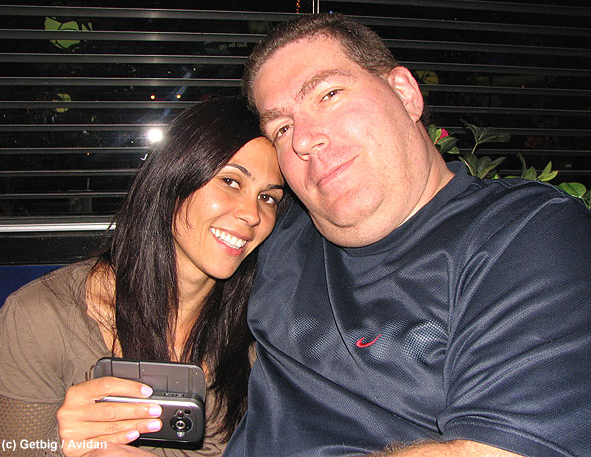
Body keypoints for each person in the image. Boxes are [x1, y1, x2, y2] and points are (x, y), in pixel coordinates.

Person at [219, 13, 591, 457]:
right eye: (282, 128)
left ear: (405, 93)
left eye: (329, 94)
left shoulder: (527, 236)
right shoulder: (275, 229)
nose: (303, 141)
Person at [0, 96, 286, 457]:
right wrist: (56, 447)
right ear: (173, 179)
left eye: (268, 198)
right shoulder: (41, 317)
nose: (252, 214)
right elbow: (14, 447)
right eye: (230, 181)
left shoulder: (265, 325)